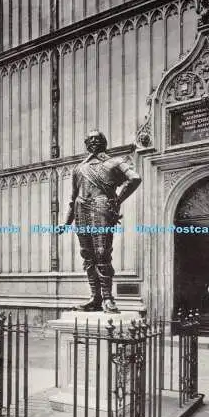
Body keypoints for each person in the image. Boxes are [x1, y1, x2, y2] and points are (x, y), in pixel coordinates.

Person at [62, 130, 141, 313]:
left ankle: (107, 297)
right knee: (87, 255)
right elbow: (73, 198)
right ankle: (94, 297)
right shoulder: (79, 168)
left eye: (97, 139)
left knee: (102, 253)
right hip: (81, 209)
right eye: (90, 140)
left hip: (101, 207)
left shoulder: (115, 162)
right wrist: (66, 222)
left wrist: (117, 200)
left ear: (104, 142)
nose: (94, 142)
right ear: (86, 144)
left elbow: (135, 178)